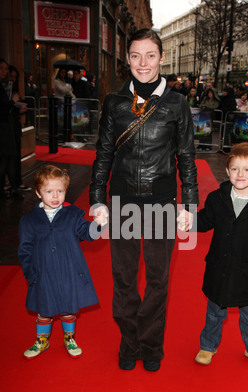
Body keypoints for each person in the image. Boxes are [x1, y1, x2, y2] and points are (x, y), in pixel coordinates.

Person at [90, 28, 198, 372]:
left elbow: (186, 156)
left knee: (157, 279)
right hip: (122, 200)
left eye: (150, 55)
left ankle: (151, 345)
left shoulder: (177, 103)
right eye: (135, 55)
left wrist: (189, 204)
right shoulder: (114, 102)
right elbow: (104, 152)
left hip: (162, 202)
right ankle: (129, 341)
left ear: (161, 58)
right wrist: (97, 197)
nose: (143, 63)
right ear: (127, 59)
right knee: (123, 278)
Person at [194, 142, 248, 369]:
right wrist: (188, 221)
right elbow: (205, 221)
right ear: (227, 171)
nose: (240, 174)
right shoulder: (217, 198)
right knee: (214, 312)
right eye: (235, 169)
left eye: (247, 169)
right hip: (219, 268)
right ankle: (207, 346)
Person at [18, 165, 102, 360]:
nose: (55, 196)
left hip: (68, 271)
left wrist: (98, 224)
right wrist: (31, 274)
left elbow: (86, 233)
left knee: (68, 308)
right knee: (44, 310)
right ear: (39, 193)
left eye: (60, 191)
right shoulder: (29, 221)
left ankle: (69, 338)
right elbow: (25, 250)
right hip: (43, 273)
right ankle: (42, 340)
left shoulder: (73, 214)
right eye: (49, 191)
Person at [0, 58, 23, 200]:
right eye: (1, 68)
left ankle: (12, 187)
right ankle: (8, 188)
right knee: (5, 159)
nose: (4, 72)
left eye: (5, 69)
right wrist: (13, 102)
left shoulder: (4, 86)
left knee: (8, 158)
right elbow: (3, 107)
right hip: (3, 128)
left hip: (8, 127)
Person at [8, 65, 31, 192]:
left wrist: (20, 109)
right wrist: (13, 103)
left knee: (16, 155)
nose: (13, 79)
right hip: (6, 128)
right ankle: (11, 184)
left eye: (15, 77)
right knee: (9, 157)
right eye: (11, 76)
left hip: (14, 126)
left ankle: (17, 182)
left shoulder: (14, 90)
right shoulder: (5, 90)